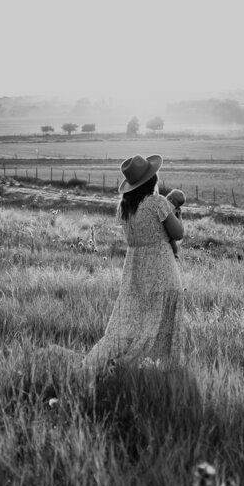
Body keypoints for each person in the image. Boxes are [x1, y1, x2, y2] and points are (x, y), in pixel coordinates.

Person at [83, 154, 187, 372]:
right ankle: (157, 369)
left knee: (131, 321)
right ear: (152, 181)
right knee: (161, 320)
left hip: (134, 271)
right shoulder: (158, 203)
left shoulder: (125, 209)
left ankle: (106, 362)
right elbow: (178, 233)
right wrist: (177, 213)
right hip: (160, 269)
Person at [165, 188, 186, 259]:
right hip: (173, 231)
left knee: (171, 241)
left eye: (167, 197)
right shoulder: (177, 210)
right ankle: (175, 253)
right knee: (172, 241)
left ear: (170, 199)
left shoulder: (166, 205)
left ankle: (175, 253)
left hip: (167, 229)